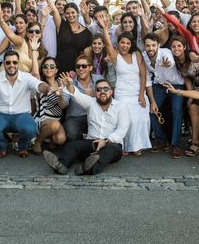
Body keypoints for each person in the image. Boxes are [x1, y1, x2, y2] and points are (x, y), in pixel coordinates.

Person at [42, 78, 130, 175]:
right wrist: (69, 85)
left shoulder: (121, 107)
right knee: (72, 145)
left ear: (111, 92)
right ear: (95, 92)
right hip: (91, 143)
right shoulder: (91, 103)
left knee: (110, 150)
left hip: (111, 145)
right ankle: (61, 166)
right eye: (99, 90)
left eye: (105, 89)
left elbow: (122, 130)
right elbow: (77, 95)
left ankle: (89, 169)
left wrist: (105, 141)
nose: (102, 92)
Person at [96, 13, 153, 155]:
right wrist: (104, 28)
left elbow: (143, 75)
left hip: (137, 92)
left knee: (141, 119)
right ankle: (125, 145)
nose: (125, 45)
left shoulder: (137, 54)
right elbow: (108, 43)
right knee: (125, 119)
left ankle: (137, 145)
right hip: (122, 93)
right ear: (119, 43)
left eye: (128, 43)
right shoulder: (115, 56)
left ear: (131, 44)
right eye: (122, 43)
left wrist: (141, 95)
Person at [142, 33, 184, 158]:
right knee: (151, 110)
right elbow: (148, 80)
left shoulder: (165, 52)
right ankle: (162, 140)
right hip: (159, 85)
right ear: (144, 46)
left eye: (153, 45)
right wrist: (152, 101)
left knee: (176, 110)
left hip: (176, 85)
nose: (151, 48)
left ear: (158, 45)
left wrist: (167, 64)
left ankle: (175, 144)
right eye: (148, 46)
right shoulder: (144, 56)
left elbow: (169, 61)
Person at [60, 54, 104, 141]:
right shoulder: (70, 82)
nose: (81, 69)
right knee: (71, 133)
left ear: (90, 68)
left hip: (95, 115)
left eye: (84, 66)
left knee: (104, 129)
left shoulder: (98, 79)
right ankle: (83, 145)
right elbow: (63, 105)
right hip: (75, 117)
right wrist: (59, 95)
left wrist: (95, 94)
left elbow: (108, 97)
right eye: (78, 66)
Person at [32, 57, 67, 155]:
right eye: (45, 66)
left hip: (56, 119)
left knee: (60, 139)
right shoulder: (40, 84)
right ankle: (37, 142)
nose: (49, 69)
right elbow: (35, 74)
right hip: (42, 118)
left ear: (56, 70)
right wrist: (34, 52)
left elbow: (63, 106)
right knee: (54, 125)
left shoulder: (61, 83)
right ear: (42, 69)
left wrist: (59, 96)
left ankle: (49, 138)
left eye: (52, 66)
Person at [56, 2, 92, 73]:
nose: (70, 15)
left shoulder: (86, 33)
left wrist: (80, 71)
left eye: (73, 12)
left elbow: (87, 56)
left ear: (77, 13)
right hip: (59, 67)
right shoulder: (62, 25)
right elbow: (54, 10)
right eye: (67, 13)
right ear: (65, 15)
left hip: (77, 70)